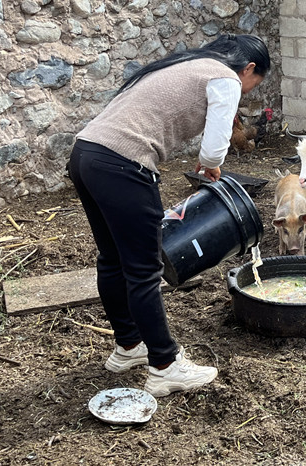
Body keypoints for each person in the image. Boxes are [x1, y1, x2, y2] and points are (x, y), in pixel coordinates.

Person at [68, 34, 271, 397]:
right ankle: (165, 366)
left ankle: (129, 346)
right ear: (249, 68)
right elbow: (215, 148)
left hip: (86, 154)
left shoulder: (186, 65)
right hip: (123, 163)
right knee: (145, 270)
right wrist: (210, 164)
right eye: (254, 84)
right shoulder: (225, 77)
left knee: (112, 259)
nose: (248, 91)